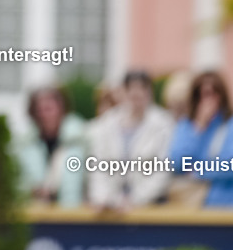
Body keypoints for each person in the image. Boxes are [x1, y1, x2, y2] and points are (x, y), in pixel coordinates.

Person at [87, 71, 173, 211]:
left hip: (149, 206)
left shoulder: (163, 124)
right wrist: (103, 198)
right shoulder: (108, 123)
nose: (137, 94)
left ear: (150, 92)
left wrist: (135, 200)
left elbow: (163, 171)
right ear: (124, 92)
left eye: (142, 89)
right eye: (132, 89)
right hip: (110, 207)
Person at [14, 87, 86, 206]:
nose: (44, 115)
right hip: (37, 214)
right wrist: (32, 190)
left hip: (75, 215)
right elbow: (17, 181)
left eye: (48, 109)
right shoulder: (24, 145)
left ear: (62, 110)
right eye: (39, 110)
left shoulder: (81, 140)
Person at [168, 71, 230, 207]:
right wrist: (198, 128)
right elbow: (177, 162)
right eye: (201, 95)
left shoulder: (229, 126)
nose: (207, 101)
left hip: (224, 203)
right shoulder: (186, 126)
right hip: (191, 205)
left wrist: (197, 172)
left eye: (212, 94)